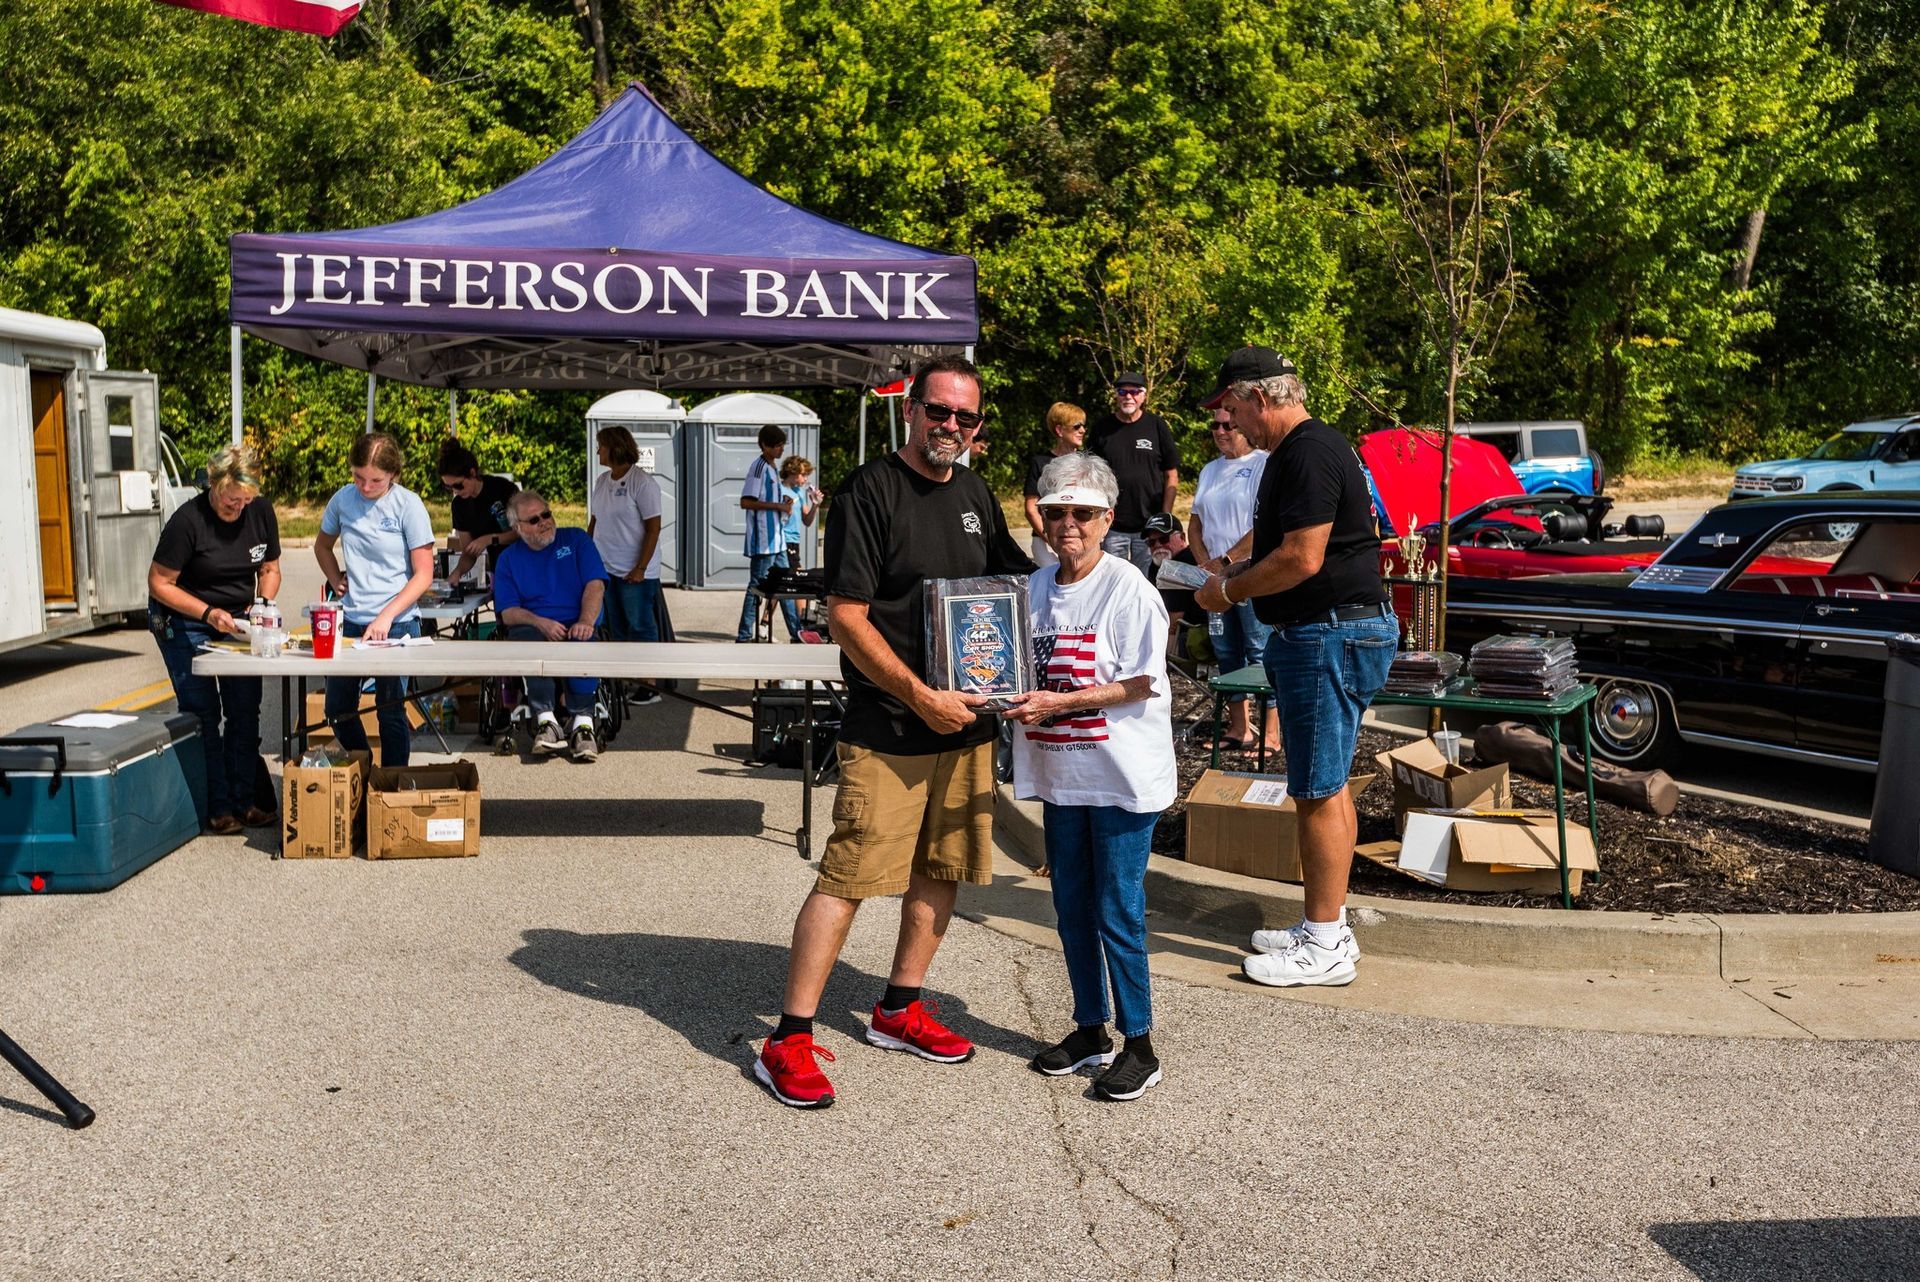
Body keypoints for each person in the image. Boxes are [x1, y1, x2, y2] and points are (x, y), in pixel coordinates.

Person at [756, 354, 1035, 1110]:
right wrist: (918, 695)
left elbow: (1014, 587)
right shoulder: (869, 491)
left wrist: (1090, 555)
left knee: (941, 869)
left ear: (978, 427)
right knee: (849, 877)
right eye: (937, 411)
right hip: (890, 726)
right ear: (911, 411)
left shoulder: (975, 491)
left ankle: (898, 1007)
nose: (949, 426)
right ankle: (788, 1036)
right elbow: (845, 616)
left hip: (967, 725)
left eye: (964, 417)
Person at [1195, 348, 1396, 987]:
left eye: (1231, 408)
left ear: (1258, 396)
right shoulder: (1304, 450)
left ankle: (1328, 942)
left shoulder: (1307, 450)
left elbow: (1303, 557)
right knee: (1328, 783)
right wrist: (1230, 572)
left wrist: (1226, 591)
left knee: (1312, 790)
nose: (1232, 423)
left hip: (1327, 634)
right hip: (1325, 632)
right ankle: (1324, 924)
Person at [1003, 453, 1175, 1101]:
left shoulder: (1128, 586)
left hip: (1121, 777)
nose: (1066, 524)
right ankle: (1088, 1029)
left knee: (1116, 908)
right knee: (1071, 908)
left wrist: (1056, 703)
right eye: (1055, 512)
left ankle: (1141, 1044)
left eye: (1081, 513)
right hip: (1060, 775)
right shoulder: (1034, 588)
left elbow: (1139, 682)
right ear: (1040, 518)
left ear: (1107, 518)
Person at [146, 445, 281, 835]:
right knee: (204, 715)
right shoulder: (188, 521)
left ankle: (246, 799)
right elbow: (159, 583)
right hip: (187, 618)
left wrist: (262, 603)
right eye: (231, 500)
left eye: (245, 500)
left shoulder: (261, 512)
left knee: (244, 710)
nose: (238, 508)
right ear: (214, 485)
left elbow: (270, 568)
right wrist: (207, 613)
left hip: (238, 620)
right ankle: (217, 806)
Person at [316, 433, 435, 768]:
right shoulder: (342, 500)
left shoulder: (408, 505)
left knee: (390, 710)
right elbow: (322, 546)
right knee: (337, 709)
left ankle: (393, 784)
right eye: (358, 477)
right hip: (351, 620)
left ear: (393, 475)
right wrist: (335, 576)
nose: (365, 487)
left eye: (375, 480)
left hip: (397, 623)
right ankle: (365, 768)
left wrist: (385, 616)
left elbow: (423, 574)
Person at [493, 491, 609, 762]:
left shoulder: (577, 539)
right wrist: (539, 622)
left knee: (583, 640)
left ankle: (583, 725)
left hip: (578, 619)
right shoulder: (508, 559)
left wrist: (585, 620)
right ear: (518, 528)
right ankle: (547, 722)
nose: (544, 521)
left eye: (546, 514)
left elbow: (596, 584)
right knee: (530, 640)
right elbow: (508, 613)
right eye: (534, 519)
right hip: (534, 625)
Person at [1189, 407, 1279, 752]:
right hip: (1214, 577)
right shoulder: (1209, 470)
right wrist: (1204, 564)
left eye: (1228, 424)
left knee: (1259, 650)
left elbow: (1265, 525)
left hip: (1250, 574)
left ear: (1242, 426)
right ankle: (1240, 727)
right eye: (1215, 424)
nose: (1221, 430)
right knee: (1227, 652)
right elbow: (1195, 523)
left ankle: (1271, 733)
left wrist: (1228, 559)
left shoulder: (1262, 463)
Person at [1087, 372, 1180, 574]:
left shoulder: (1156, 425)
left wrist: (1164, 516)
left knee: (1147, 580)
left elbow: (1171, 474)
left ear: (1143, 396)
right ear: (1116, 395)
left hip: (1149, 528)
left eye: (1134, 391)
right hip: (1112, 525)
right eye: (1122, 391)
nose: (1128, 396)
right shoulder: (1101, 428)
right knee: (1112, 580)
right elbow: (1090, 476)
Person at [737, 424, 800, 642]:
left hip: (778, 541)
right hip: (764, 542)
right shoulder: (759, 468)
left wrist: (782, 502)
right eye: (777, 446)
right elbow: (746, 502)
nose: (781, 450)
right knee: (756, 587)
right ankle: (744, 635)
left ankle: (796, 632)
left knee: (786, 586)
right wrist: (778, 507)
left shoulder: (771, 468)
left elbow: (767, 500)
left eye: (782, 445)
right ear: (765, 446)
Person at [437, 441, 519, 582]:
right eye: (448, 487)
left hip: (525, 563)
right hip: (500, 570)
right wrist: (457, 573)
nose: (455, 491)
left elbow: (523, 532)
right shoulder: (458, 505)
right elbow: (469, 553)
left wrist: (488, 539)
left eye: (458, 485)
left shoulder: (503, 488)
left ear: (472, 473)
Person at [1022, 402, 1087, 569]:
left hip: (1079, 537)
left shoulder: (1087, 464)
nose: (1082, 430)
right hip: (1046, 540)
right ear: (1059, 430)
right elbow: (1031, 509)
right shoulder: (1040, 462)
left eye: (1083, 426)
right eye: (1076, 426)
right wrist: (1050, 538)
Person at [1140, 513, 1209, 667]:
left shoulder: (1183, 562)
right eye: (1151, 542)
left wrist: (1159, 661)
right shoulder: (1157, 565)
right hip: (1182, 632)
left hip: (1197, 636)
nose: (1157, 545)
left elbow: (1174, 621)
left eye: (1164, 539)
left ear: (1182, 538)